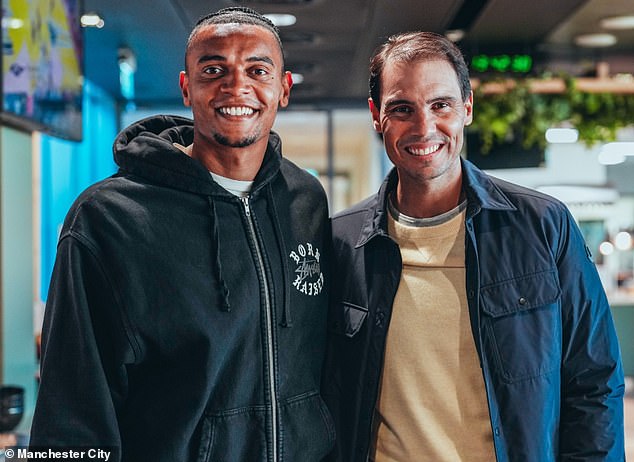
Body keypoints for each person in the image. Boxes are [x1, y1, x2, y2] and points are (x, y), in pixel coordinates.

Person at [30, 7, 334, 461]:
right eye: (214, 70)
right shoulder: (108, 218)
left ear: (282, 89)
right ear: (187, 87)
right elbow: (71, 411)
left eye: (257, 70)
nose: (236, 86)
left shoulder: (305, 200)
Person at [322, 31, 625, 461]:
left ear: (467, 107)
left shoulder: (542, 227)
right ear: (377, 116)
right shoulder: (342, 243)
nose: (423, 127)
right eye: (402, 109)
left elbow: (594, 382)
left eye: (440, 104)